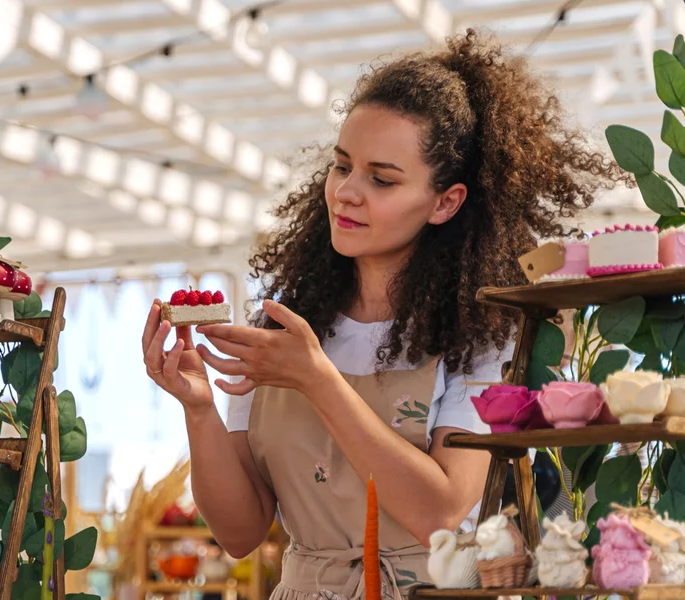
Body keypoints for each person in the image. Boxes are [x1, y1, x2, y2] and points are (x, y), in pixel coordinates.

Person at [142, 29, 626, 600]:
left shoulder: (485, 333)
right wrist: (199, 411)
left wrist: (317, 379)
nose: (347, 192)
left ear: (446, 202)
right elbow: (241, 533)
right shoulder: (286, 325)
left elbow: (442, 513)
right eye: (342, 166)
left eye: (382, 178)